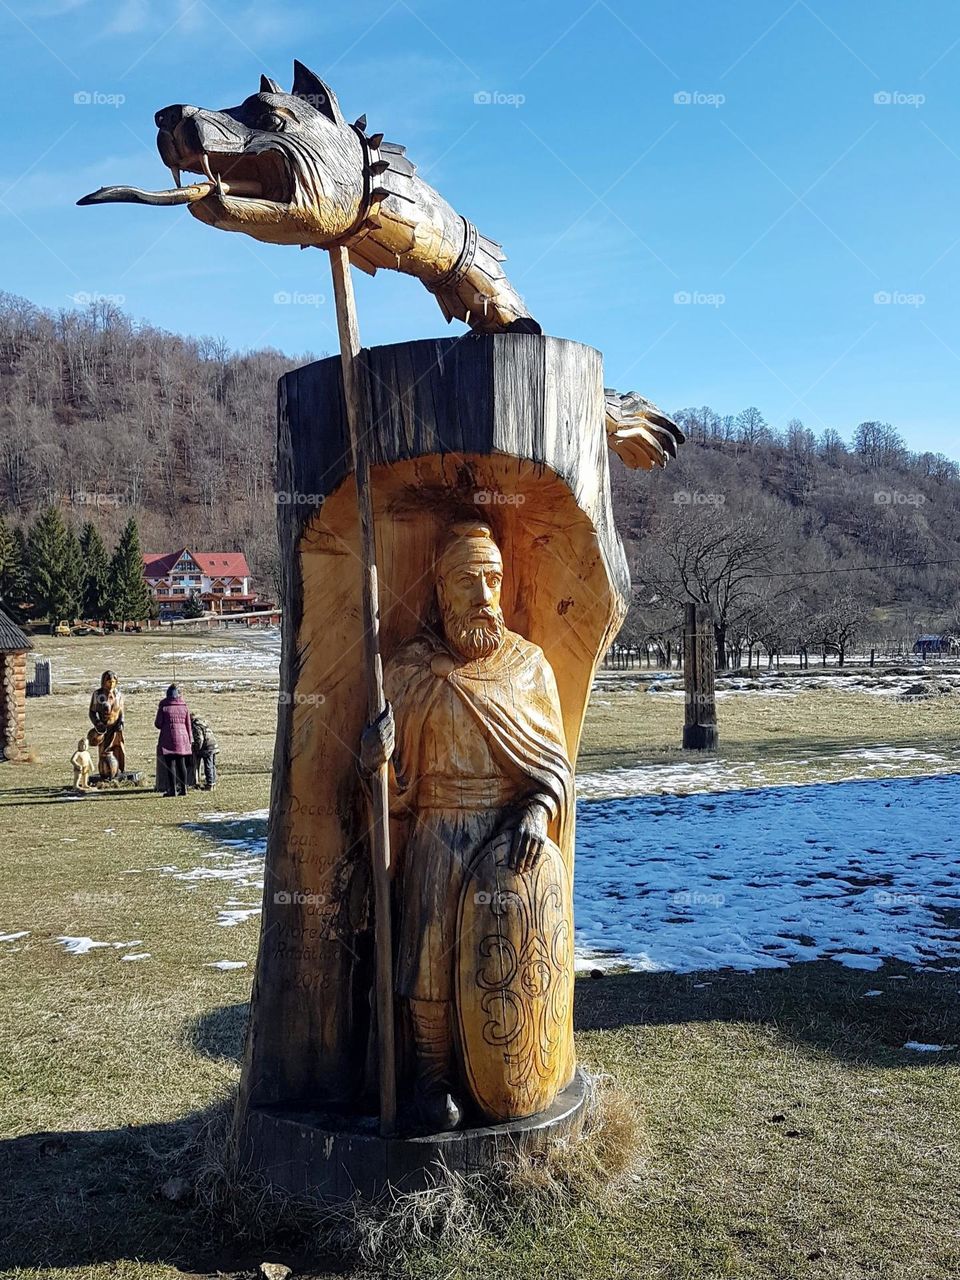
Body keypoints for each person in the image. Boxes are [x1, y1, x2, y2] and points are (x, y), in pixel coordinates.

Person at [360, 521, 572, 1132]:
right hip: (436, 832)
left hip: (507, 841)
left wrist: (536, 811)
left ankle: (506, 1072)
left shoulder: (529, 668)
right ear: (440, 590)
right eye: (467, 580)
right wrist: (377, 758)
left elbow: (553, 767)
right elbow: (392, 795)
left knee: (507, 957)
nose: (484, 596)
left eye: (494, 579)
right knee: (428, 955)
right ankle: (432, 1076)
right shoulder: (409, 671)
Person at [155, 685, 193, 797]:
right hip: (183, 738)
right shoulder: (184, 706)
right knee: (181, 765)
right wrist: (189, 740)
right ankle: (184, 789)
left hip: (168, 737)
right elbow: (188, 724)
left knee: (170, 764)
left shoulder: (164, 706)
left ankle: (172, 790)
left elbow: (158, 723)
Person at [88, 670, 125, 778]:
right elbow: (92, 712)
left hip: (116, 728)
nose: (111, 684)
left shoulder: (118, 695)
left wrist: (121, 721)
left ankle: (117, 770)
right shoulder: (98, 695)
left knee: (118, 749)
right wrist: (97, 723)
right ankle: (105, 773)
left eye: (113, 682)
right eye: (109, 682)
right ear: (104, 682)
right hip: (103, 729)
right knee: (104, 752)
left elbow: (121, 710)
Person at [191, 713, 219, 790]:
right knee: (212, 765)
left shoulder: (195, 726)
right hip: (213, 745)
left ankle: (209, 784)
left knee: (208, 766)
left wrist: (197, 748)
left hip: (207, 747)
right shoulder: (204, 724)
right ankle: (213, 783)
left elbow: (200, 739)